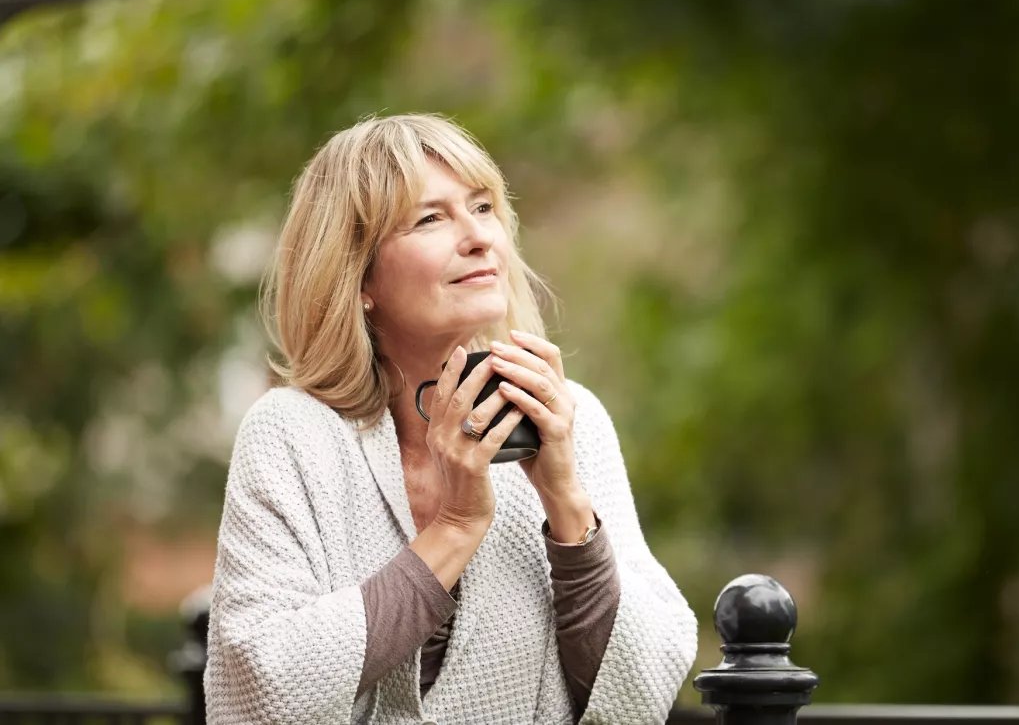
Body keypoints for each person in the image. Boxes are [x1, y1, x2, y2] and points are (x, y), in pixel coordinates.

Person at [203, 114, 698, 725]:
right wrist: (456, 526)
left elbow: (640, 693)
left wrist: (567, 502)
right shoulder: (291, 434)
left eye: (484, 207)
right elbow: (261, 688)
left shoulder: (573, 420)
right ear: (359, 275)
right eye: (431, 219)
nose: (478, 236)